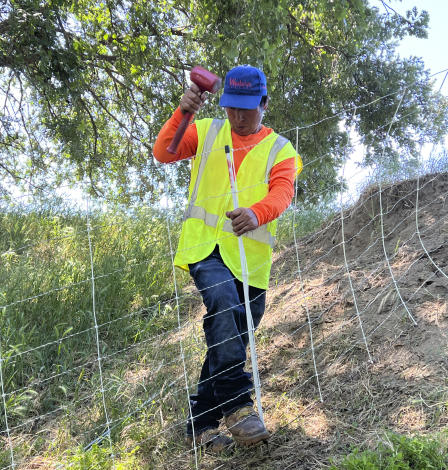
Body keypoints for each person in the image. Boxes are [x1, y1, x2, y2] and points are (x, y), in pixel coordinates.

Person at [153, 65, 302, 452]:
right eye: (230, 107)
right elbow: (162, 152)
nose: (237, 116)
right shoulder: (206, 132)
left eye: (246, 108)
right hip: (205, 248)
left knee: (229, 339)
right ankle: (237, 406)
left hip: (252, 263)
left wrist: (257, 212)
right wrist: (184, 112)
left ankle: (199, 427)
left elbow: (283, 193)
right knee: (221, 303)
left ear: (264, 104)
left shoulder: (281, 149)